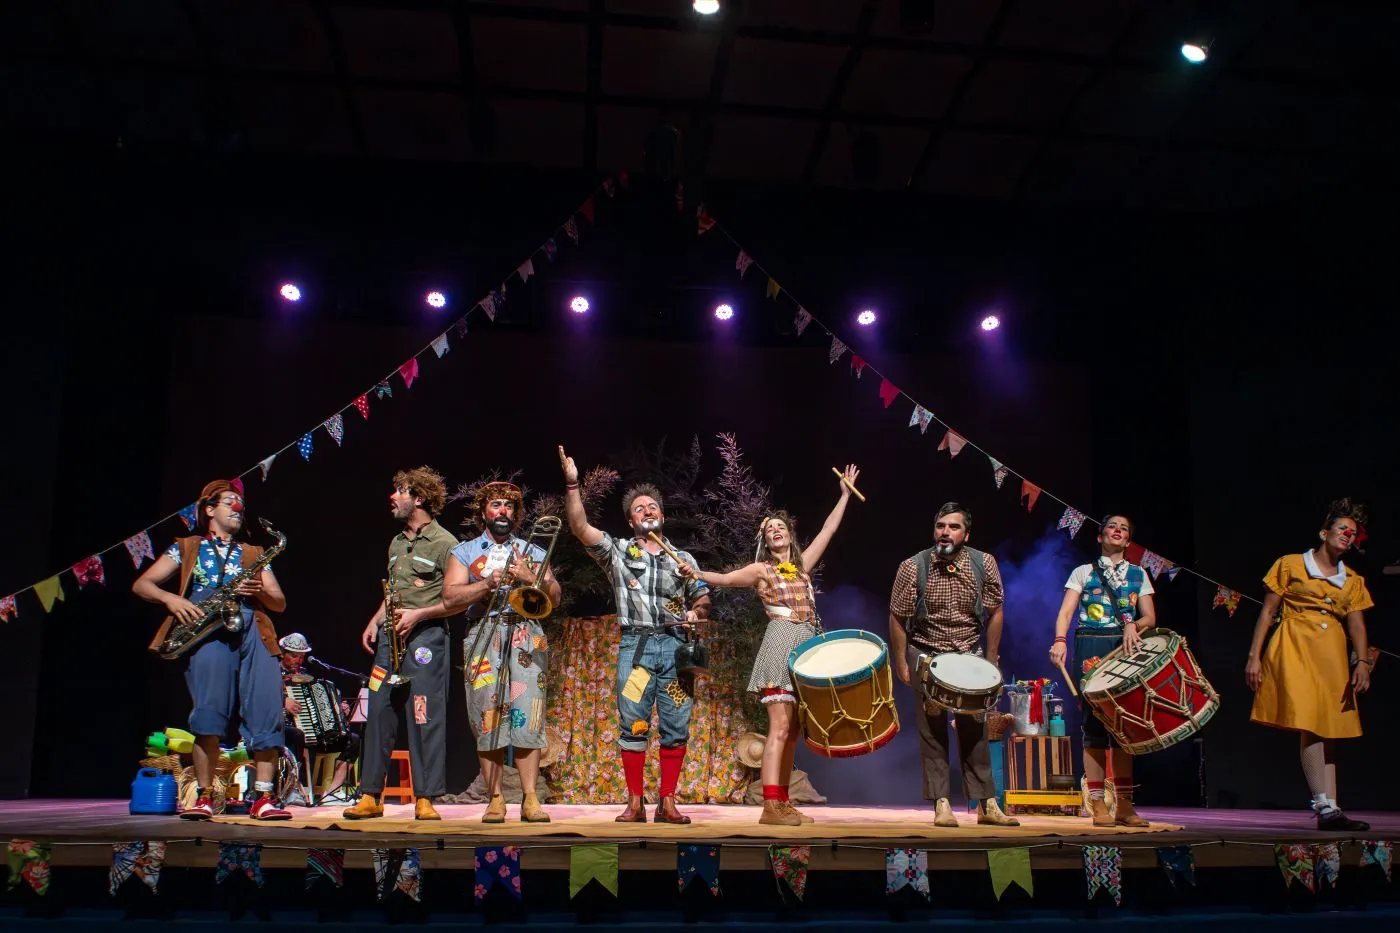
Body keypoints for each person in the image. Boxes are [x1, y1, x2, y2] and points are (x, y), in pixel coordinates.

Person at [678, 465, 859, 826]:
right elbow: (727, 579)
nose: (775, 530)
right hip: (781, 642)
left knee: (793, 730)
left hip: (807, 648)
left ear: (790, 535)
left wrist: (843, 495)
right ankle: (769, 805)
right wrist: (697, 574)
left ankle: (783, 801)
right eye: (768, 530)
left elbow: (829, 529)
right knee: (778, 727)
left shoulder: (802, 566)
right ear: (765, 541)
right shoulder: (762, 570)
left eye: (780, 527)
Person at [558, 445, 711, 824]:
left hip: (676, 649)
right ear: (630, 521)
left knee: (677, 722)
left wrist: (697, 611)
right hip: (637, 648)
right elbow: (579, 528)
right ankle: (635, 802)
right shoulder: (619, 552)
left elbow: (705, 599)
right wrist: (574, 484)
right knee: (634, 723)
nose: (647, 510)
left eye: (652, 506)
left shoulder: (684, 560)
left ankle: (668, 801)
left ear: (662, 515)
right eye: (639, 508)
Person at [132, 479, 291, 821]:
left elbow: (278, 603)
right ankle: (204, 796)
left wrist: (258, 590)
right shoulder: (186, 547)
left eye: (240, 503)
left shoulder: (254, 553)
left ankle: (263, 799)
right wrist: (171, 599)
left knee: (267, 713)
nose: (237, 508)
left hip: (252, 629)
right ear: (208, 509)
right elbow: (142, 584)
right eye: (229, 501)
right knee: (209, 713)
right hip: (206, 629)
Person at [1246, 498, 1375, 832]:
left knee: (1329, 728)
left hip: (1331, 652)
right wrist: (1253, 657)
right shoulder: (1291, 564)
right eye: (1342, 529)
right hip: (1294, 644)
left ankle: (1331, 808)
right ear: (1324, 532)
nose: (1348, 535)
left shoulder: (1352, 580)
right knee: (1312, 724)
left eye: (1353, 533)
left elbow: (1357, 625)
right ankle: (1322, 803)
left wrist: (1362, 662)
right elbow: (1267, 612)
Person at [888, 501, 1018, 827]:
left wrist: (991, 659)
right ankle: (941, 802)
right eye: (941, 525)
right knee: (932, 727)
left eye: (954, 526)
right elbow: (897, 616)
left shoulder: (983, 563)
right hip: (927, 652)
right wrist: (902, 660)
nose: (946, 531)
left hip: (967, 652)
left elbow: (996, 610)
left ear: (966, 533)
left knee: (976, 726)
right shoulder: (912, 566)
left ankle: (987, 804)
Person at [343, 467, 459, 821]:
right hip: (390, 638)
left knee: (423, 713)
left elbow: (454, 601)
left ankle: (425, 797)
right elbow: (393, 591)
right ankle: (371, 794)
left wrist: (417, 615)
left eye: (400, 491)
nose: (392, 497)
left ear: (419, 498)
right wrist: (375, 619)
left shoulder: (447, 544)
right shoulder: (396, 542)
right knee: (378, 711)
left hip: (426, 639)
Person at [443, 480, 562, 824]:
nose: (503, 512)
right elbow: (450, 599)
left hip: (527, 631)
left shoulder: (532, 552)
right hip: (483, 631)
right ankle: (495, 798)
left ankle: (529, 798)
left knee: (529, 715)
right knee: (487, 716)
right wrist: (486, 583)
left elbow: (554, 598)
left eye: (509, 506)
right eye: (496, 505)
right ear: (484, 512)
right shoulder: (464, 552)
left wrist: (530, 578)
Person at [1049, 514, 1154, 827]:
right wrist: (1059, 641)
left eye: (1124, 528)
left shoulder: (1139, 574)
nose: (1118, 530)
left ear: (1128, 539)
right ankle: (1097, 802)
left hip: (1126, 646)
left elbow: (1150, 616)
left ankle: (1124, 804)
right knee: (1094, 724)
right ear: (1100, 536)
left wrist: (1134, 624)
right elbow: (1066, 612)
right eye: (1112, 526)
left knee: (1124, 727)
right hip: (1090, 645)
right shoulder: (1083, 572)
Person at [278, 632, 361, 806]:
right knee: (297, 735)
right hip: (283, 730)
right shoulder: (272, 674)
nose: (298, 661)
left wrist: (338, 709)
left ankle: (331, 793)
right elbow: (259, 698)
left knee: (352, 740)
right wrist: (282, 701)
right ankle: (295, 790)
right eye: (294, 656)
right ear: (282, 653)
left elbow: (320, 701)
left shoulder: (306, 675)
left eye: (302, 657)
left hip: (314, 734)